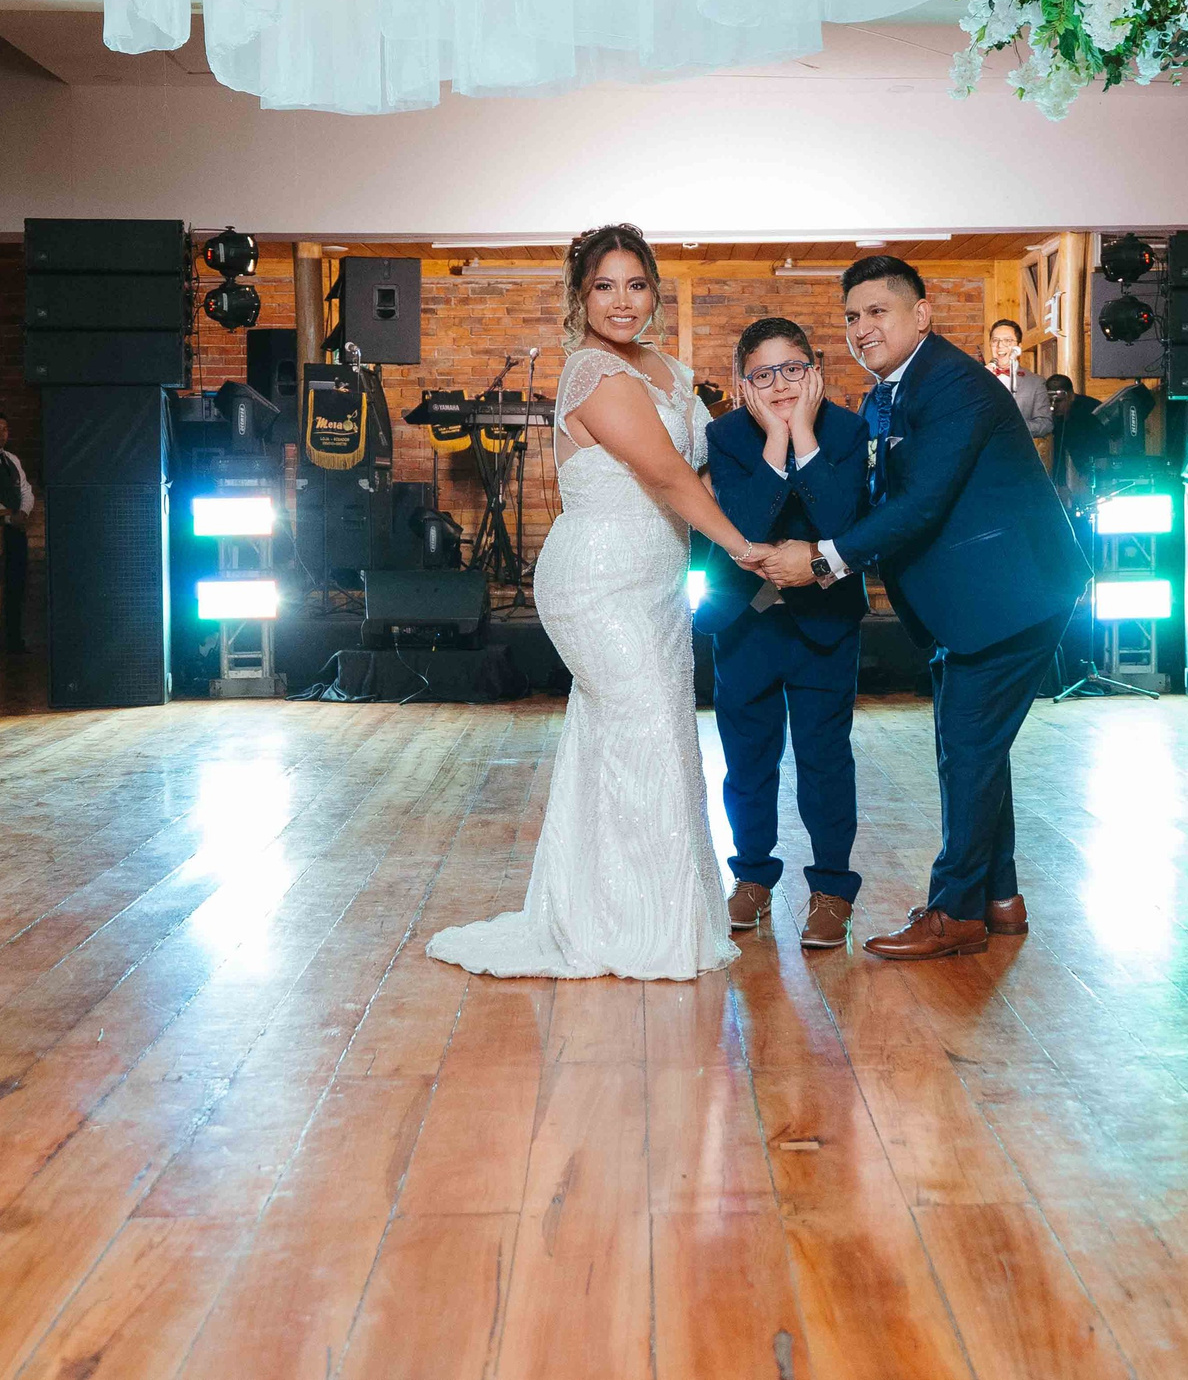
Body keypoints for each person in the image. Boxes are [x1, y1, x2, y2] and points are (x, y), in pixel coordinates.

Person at [427, 224, 768, 981]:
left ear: (653, 289)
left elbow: (715, 473)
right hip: (595, 583)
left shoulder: (669, 370)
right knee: (646, 729)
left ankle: (608, 911)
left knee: (647, 735)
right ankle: (635, 929)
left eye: (636, 284)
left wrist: (778, 429)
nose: (623, 301)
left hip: (654, 583)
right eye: (604, 286)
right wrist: (748, 553)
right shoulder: (592, 373)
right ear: (580, 297)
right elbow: (672, 479)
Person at [753, 257, 1089, 961]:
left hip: (1010, 596)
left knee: (965, 750)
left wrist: (819, 560)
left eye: (878, 311)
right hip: (973, 600)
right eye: (851, 317)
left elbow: (920, 504)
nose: (861, 328)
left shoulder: (953, 385)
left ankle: (956, 912)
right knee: (974, 749)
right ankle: (1000, 899)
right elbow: (877, 502)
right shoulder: (896, 390)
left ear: (922, 314)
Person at [696, 317, 870, 951]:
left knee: (825, 760)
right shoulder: (726, 435)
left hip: (824, 620)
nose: (779, 384)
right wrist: (775, 441)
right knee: (747, 762)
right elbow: (739, 525)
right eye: (762, 375)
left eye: (792, 369)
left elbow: (843, 520)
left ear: (815, 369)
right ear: (745, 382)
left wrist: (803, 433)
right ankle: (752, 877)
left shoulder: (849, 430)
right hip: (747, 620)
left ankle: (830, 888)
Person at [0, 415, 36, 654]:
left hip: (16, 528)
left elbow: (26, 490)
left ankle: (14, 637)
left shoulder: (12, 460)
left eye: (5, 429)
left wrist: (24, 512)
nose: (1, 433)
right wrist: (8, 516)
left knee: (17, 583)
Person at [1044, 373, 1109, 500]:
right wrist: (1061, 483)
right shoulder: (1056, 417)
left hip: (1101, 464)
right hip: (1082, 465)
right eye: (1050, 401)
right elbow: (1058, 450)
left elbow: (1102, 446)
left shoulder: (1092, 411)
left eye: (1059, 401)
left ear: (1071, 396)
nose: (1053, 406)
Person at [988, 318, 1054, 440]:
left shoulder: (1035, 382)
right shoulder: (978, 379)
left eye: (1007, 341)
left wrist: (1013, 427)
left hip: (1017, 452)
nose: (1000, 346)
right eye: (995, 341)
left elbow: (1045, 424)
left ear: (1019, 347)